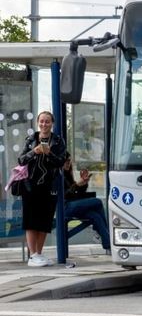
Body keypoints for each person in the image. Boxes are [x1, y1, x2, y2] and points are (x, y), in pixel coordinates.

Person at [18, 111, 67, 267]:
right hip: (30, 186)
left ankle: (39, 253)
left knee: (44, 221)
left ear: (52, 123)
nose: (44, 124)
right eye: (42, 121)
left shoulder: (58, 141)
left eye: (47, 121)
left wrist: (49, 153)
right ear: (38, 123)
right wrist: (34, 151)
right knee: (31, 221)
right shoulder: (31, 139)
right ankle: (32, 255)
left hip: (49, 186)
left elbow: (61, 162)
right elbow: (21, 159)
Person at [62, 155, 111, 252]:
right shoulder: (58, 175)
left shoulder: (68, 174)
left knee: (95, 215)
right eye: (66, 160)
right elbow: (64, 195)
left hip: (74, 204)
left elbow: (76, 194)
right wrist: (76, 185)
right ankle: (100, 233)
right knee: (97, 202)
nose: (68, 163)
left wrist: (84, 183)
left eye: (69, 161)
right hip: (65, 207)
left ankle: (107, 244)